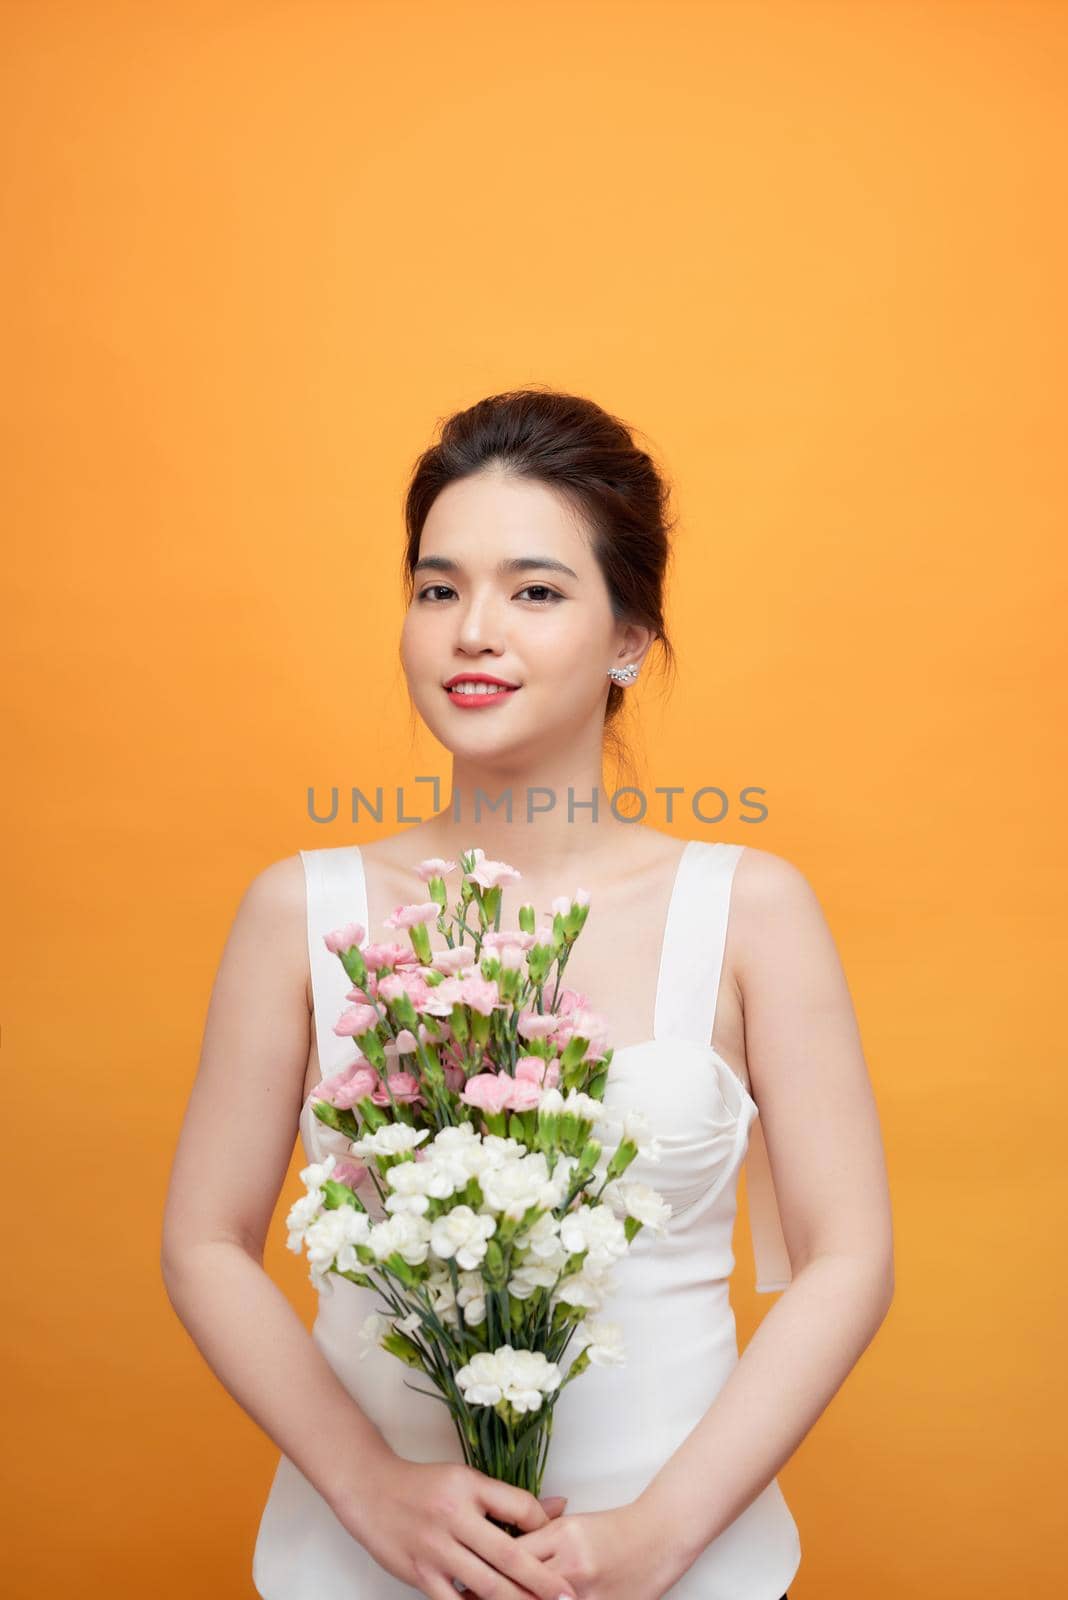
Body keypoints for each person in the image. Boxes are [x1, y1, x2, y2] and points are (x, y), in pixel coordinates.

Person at [161, 387, 894, 1600]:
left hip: (683, 1561)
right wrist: (371, 1491)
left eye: (536, 590)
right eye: (438, 587)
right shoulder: (299, 911)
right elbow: (204, 1238)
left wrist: (661, 1534)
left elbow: (848, 1254)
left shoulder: (751, 910)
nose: (471, 631)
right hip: (367, 1560)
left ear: (627, 638)